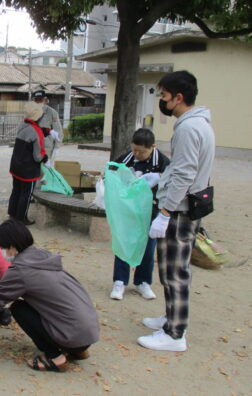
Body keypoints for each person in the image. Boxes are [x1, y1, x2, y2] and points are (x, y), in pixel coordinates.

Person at [138, 70, 215, 352]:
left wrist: (166, 212)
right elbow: (182, 169)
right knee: (172, 268)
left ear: (178, 97)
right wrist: (161, 178)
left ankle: (175, 334)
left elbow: (185, 174)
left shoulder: (188, 128)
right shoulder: (198, 124)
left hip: (180, 210)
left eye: (164, 95)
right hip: (186, 205)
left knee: (174, 271)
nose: (161, 101)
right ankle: (171, 318)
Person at [0, 219, 99, 372]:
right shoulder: (43, 256)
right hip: (87, 330)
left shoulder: (21, 270)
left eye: (2, 247)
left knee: (18, 307)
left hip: (73, 335)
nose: (1, 251)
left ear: (11, 246)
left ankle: (55, 356)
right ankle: (77, 350)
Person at [110, 128, 170, 301]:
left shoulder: (163, 162)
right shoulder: (127, 158)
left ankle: (143, 282)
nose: (137, 154)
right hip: (128, 211)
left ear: (153, 147)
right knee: (123, 245)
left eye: (141, 151)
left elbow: (170, 186)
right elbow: (111, 174)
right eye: (134, 149)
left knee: (148, 248)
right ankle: (120, 281)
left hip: (151, 211)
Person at [8, 101, 48, 225]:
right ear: (39, 116)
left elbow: (29, 134)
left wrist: (46, 131)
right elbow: (37, 156)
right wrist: (45, 158)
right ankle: (22, 218)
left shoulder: (22, 125)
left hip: (16, 164)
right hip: (28, 169)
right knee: (26, 194)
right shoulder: (37, 131)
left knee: (16, 190)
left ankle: (13, 214)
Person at [33, 90, 63, 166]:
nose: (38, 102)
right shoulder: (31, 112)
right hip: (33, 148)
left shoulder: (51, 112)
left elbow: (58, 131)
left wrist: (57, 147)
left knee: (45, 174)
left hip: (46, 149)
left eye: (40, 99)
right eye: (36, 100)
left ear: (45, 100)